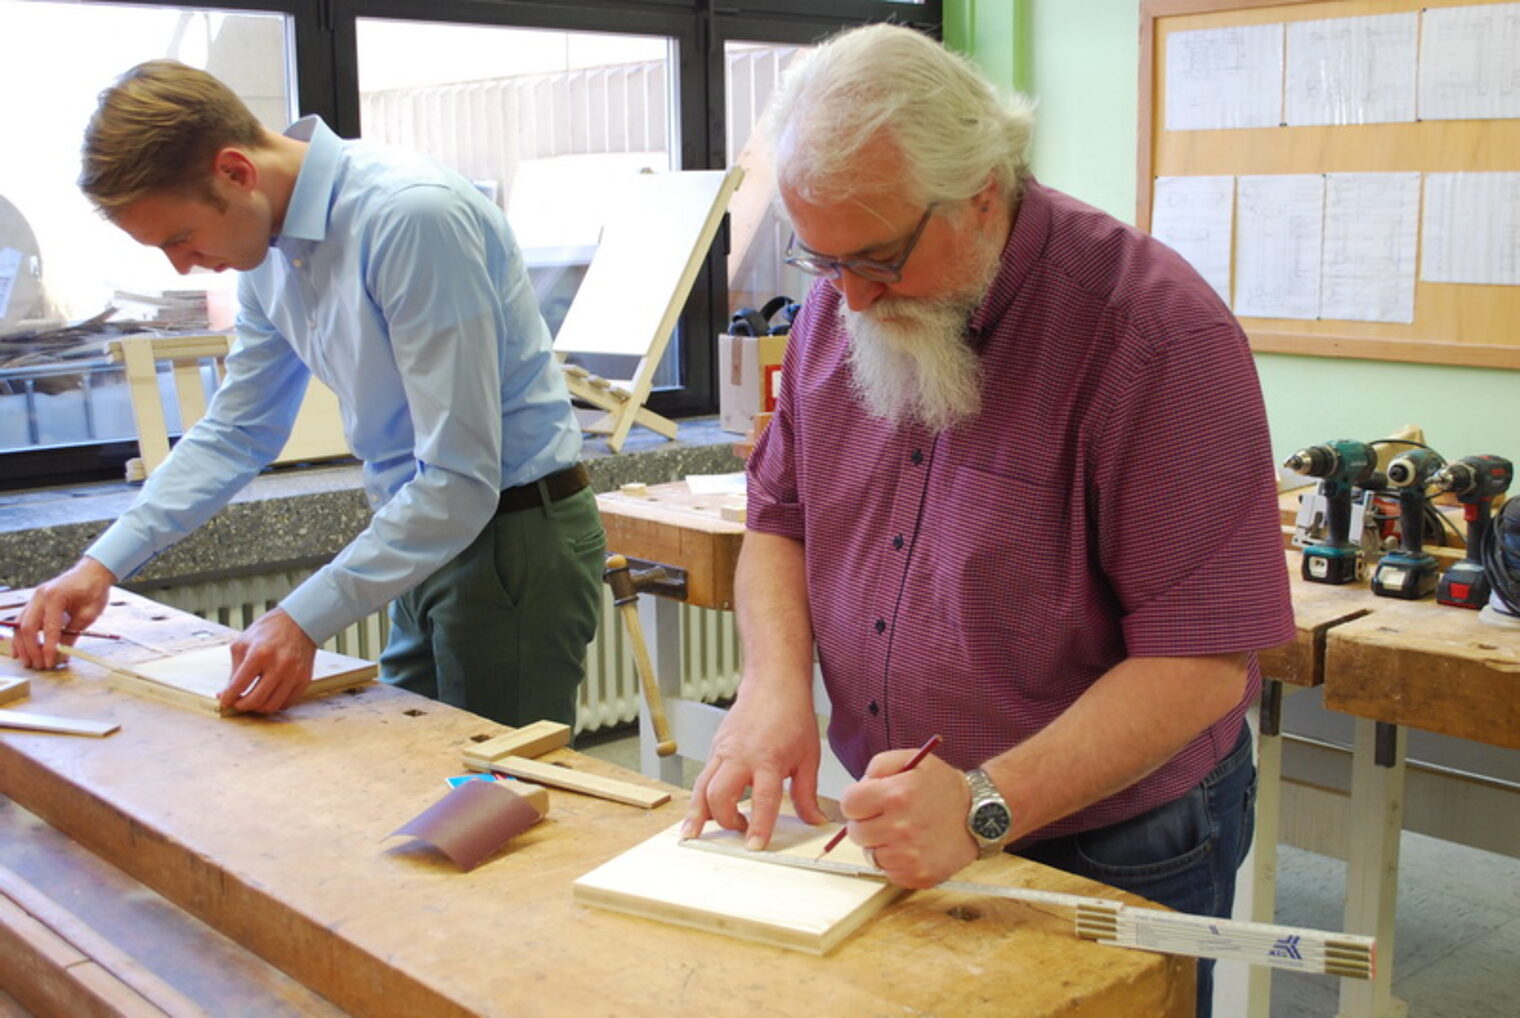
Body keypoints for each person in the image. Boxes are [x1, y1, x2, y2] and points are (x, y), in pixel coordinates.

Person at [680, 24, 1293, 1017]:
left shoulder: (1154, 335)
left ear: (981, 192)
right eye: (818, 259)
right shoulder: (840, 310)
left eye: (875, 259)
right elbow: (778, 518)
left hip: (1115, 837)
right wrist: (770, 683)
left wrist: (980, 805)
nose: (849, 299)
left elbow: (1200, 663)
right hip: (897, 824)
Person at [9, 60, 605, 728]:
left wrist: (301, 619)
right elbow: (238, 430)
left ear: (235, 172)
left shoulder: (411, 218)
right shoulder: (268, 252)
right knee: (409, 771)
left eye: (181, 238)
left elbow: (463, 480)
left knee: (497, 802)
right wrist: (100, 565)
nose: (182, 266)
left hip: (512, 534)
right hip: (419, 531)